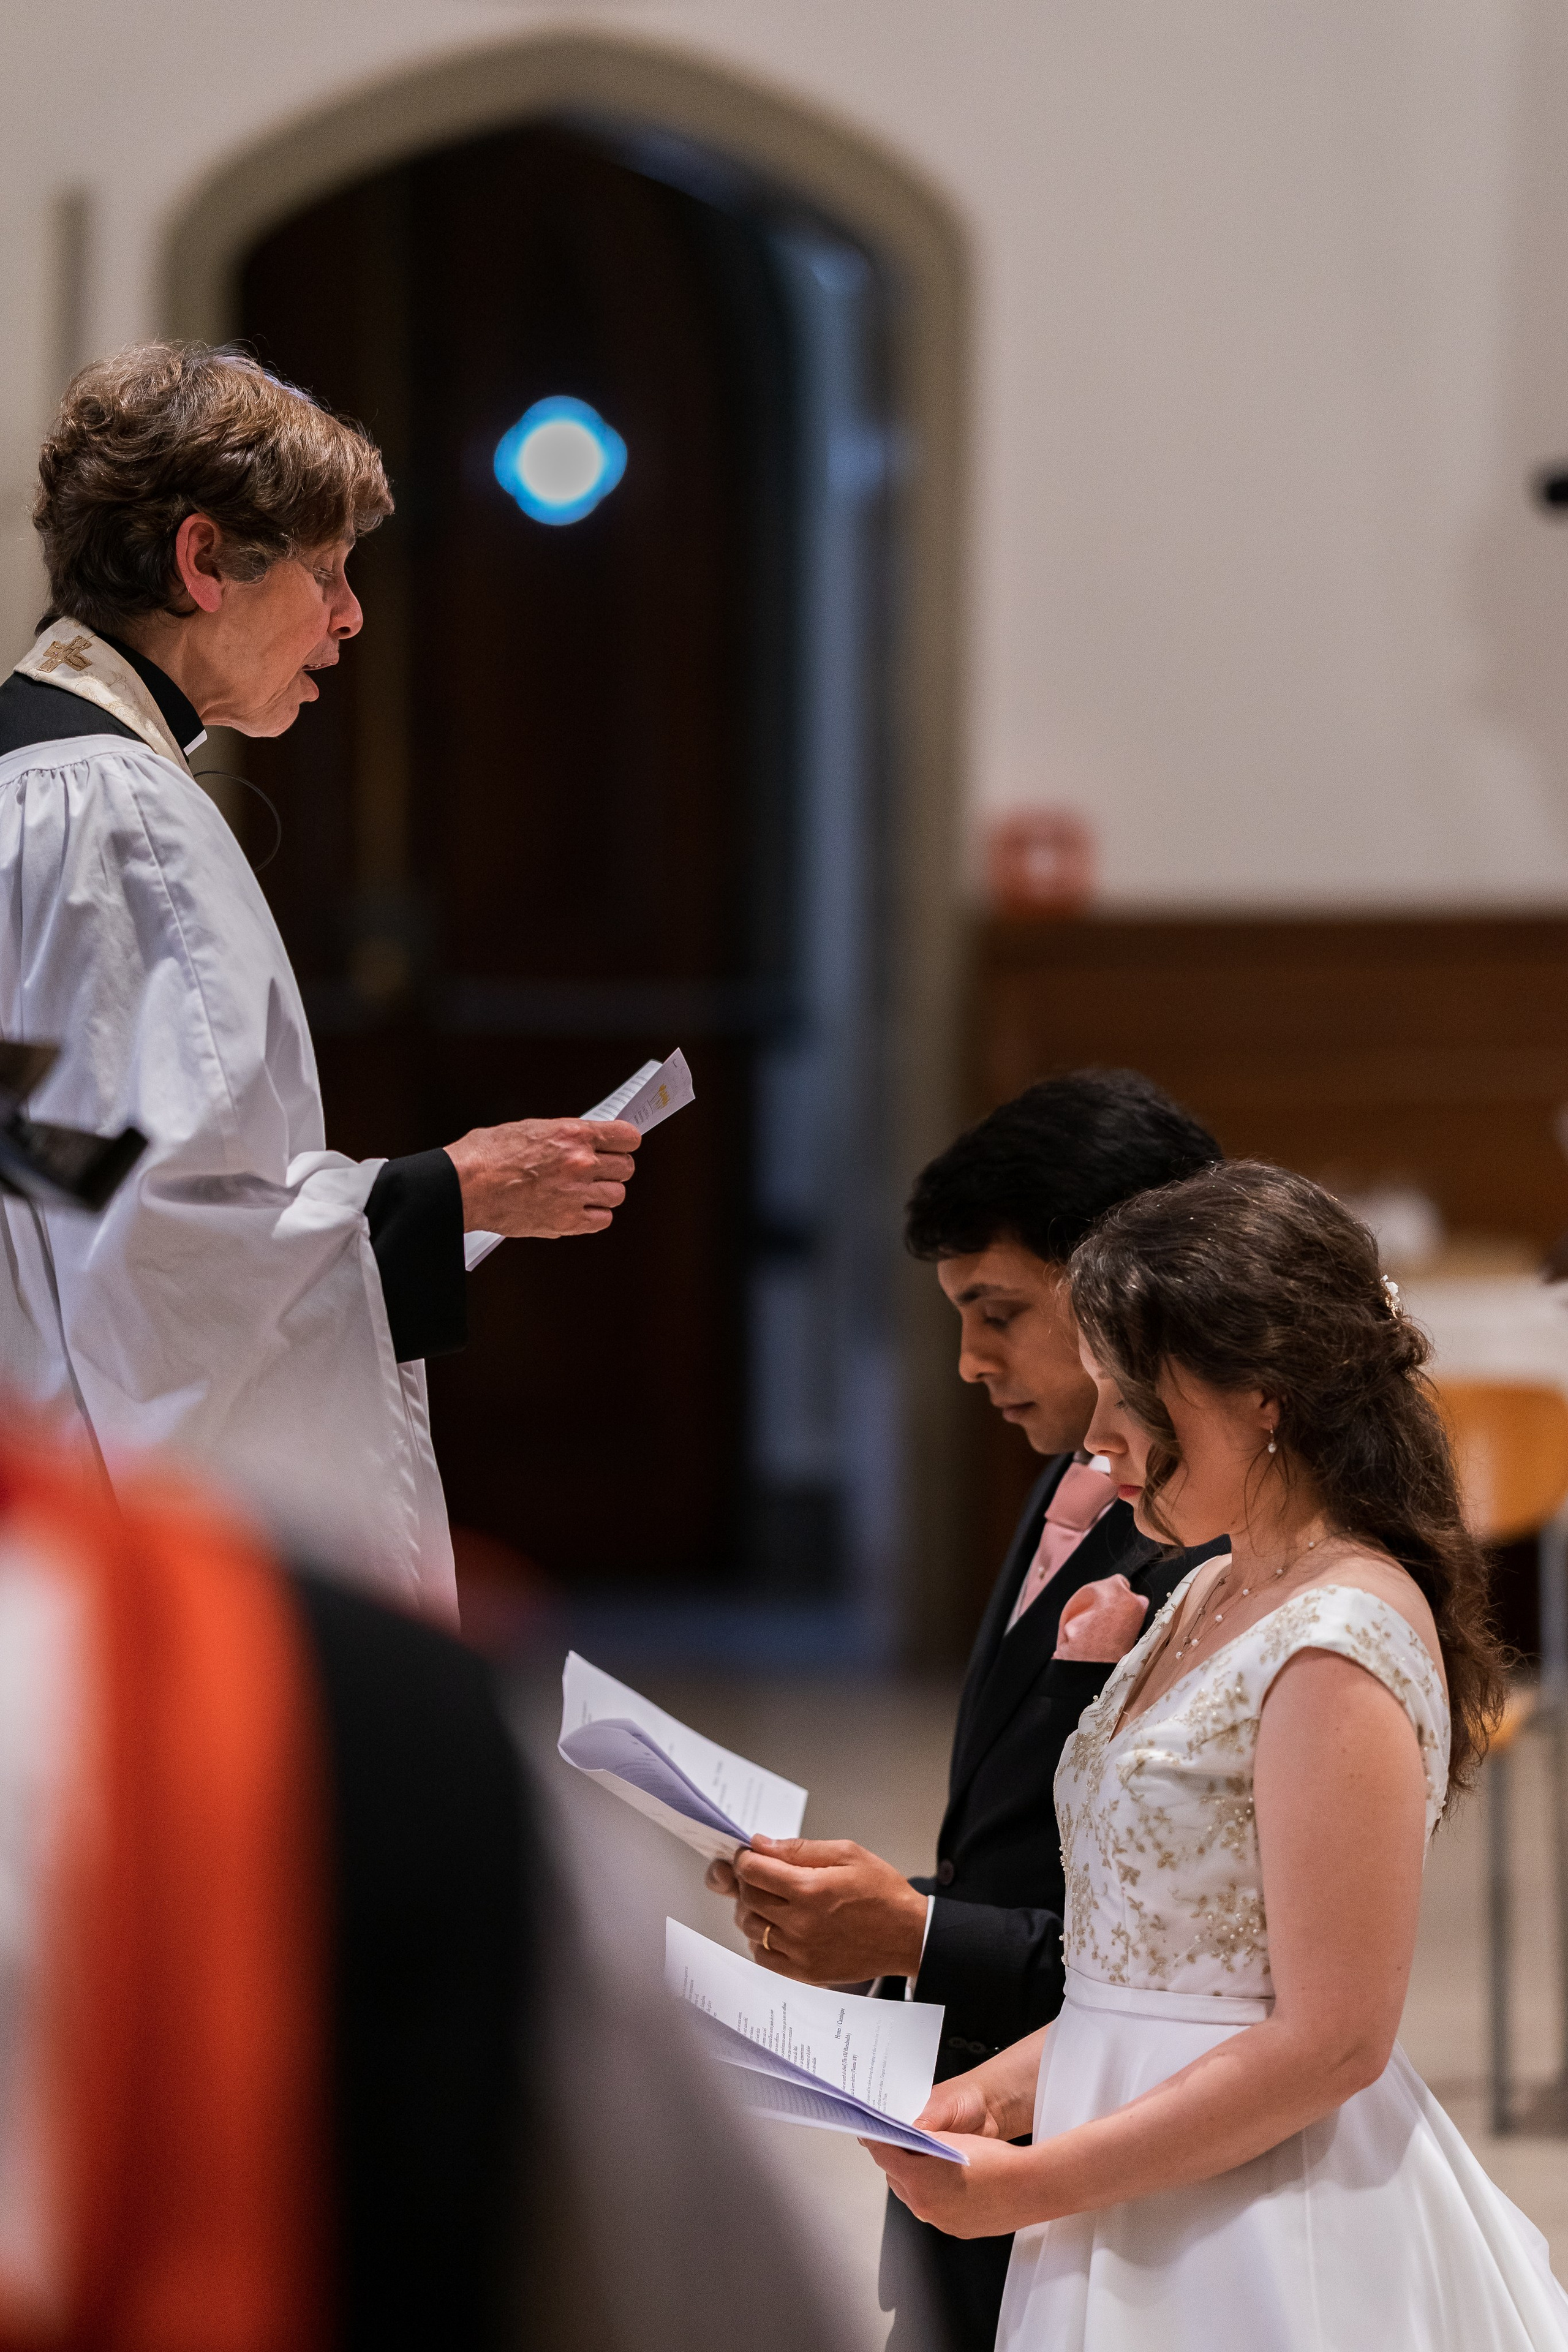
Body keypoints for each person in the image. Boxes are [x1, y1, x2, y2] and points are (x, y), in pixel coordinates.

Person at [865, 1160, 1568, 2350]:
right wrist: (1010, 2088)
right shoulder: (1204, 1586)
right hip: (1127, 2173)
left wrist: (1035, 2183)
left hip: (1257, 2220)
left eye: (1126, 1399)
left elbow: (1331, 2039)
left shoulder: (1337, 1637)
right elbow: (1151, 1973)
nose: (1096, 1442)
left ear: (1262, 1396)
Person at [0, 344, 641, 1619]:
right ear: (201, 563)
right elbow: (168, 1239)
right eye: (328, 573)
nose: (349, 620)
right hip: (114, 1521)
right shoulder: (121, 819)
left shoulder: (34, 781)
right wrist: (443, 1192)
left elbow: (67, 1162)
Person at [707, 1069, 1224, 2350]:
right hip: (974, 2117)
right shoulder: (1068, 1480)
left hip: (1117, 2157)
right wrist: (881, 1918)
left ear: (1130, 1286)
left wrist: (917, 1932)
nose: (965, 1361)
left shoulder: (1221, 1559)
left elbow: (1212, 1963)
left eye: (998, 1313)